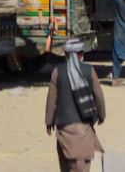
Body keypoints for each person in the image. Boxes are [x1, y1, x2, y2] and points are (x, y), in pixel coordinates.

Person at [45, 38, 106, 172]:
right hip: (84, 130)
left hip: (63, 130)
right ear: (79, 54)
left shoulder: (57, 72)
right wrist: (101, 116)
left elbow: (51, 99)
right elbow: (99, 96)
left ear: (66, 54)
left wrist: (49, 121)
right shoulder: (88, 71)